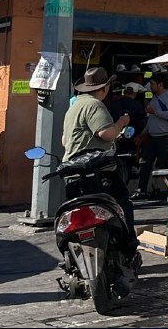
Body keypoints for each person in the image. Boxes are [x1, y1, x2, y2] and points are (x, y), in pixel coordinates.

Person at [61, 68, 138, 259]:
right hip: (96, 170)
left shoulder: (75, 106)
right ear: (105, 88)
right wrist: (121, 122)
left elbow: (65, 140)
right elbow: (107, 133)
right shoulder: (95, 105)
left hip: (72, 170)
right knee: (121, 204)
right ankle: (129, 248)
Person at [135, 72, 168, 200]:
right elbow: (151, 120)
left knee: (166, 165)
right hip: (152, 136)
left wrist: (156, 112)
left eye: (152, 84)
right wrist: (143, 134)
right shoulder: (155, 98)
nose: (150, 86)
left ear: (160, 84)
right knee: (145, 163)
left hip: (165, 136)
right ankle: (141, 190)